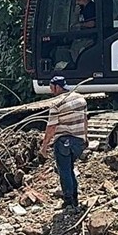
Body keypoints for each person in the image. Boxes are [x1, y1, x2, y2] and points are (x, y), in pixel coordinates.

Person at [40, 76, 88, 209]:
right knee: (70, 169)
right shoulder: (80, 98)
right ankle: (75, 199)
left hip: (64, 142)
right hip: (78, 141)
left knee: (65, 171)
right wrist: (85, 137)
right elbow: (85, 120)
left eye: (51, 88)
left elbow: (51, 127)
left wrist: (44, 147)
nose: (51, 92)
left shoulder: (57, 103)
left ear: (57, 87)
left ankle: (69, 201)